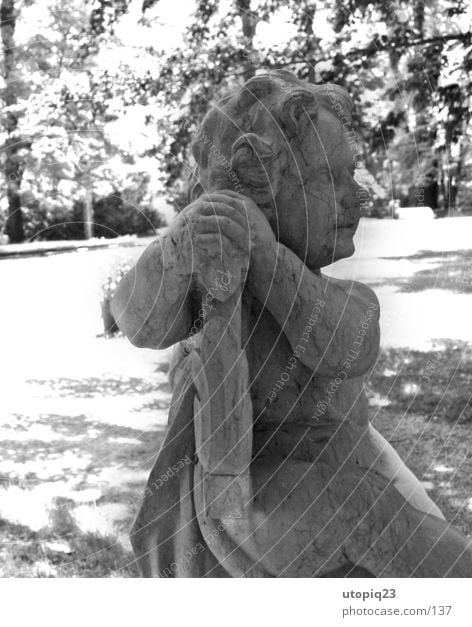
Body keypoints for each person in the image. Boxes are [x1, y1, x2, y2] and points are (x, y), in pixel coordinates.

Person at [111, 70, 472, 577]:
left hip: (346, 472)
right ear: (263, 188)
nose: (359, 194)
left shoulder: (341, 300)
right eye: (334, 178)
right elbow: (139, 322)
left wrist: (263, 253)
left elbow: (344, 341)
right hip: (256, 497)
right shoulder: (212, 294)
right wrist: (175, 251)